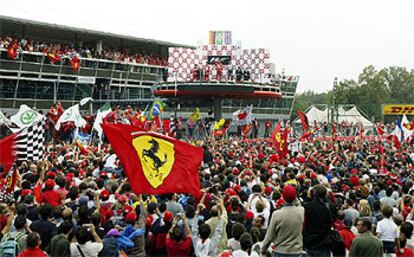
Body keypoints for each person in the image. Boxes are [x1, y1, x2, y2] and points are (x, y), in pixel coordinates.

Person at [261, 185, 305, 257]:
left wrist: (263, 250)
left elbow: (270, 236)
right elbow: (298, 203)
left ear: (283, 197)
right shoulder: (301, 211)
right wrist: (293, 197)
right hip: (297, 251)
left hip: (280, 251)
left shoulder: (277, 214)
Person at [303, 185, 335, 257]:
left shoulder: (307, 206)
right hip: (324, 241)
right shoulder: (330, 206)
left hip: (310, 241)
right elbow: (333, 220)